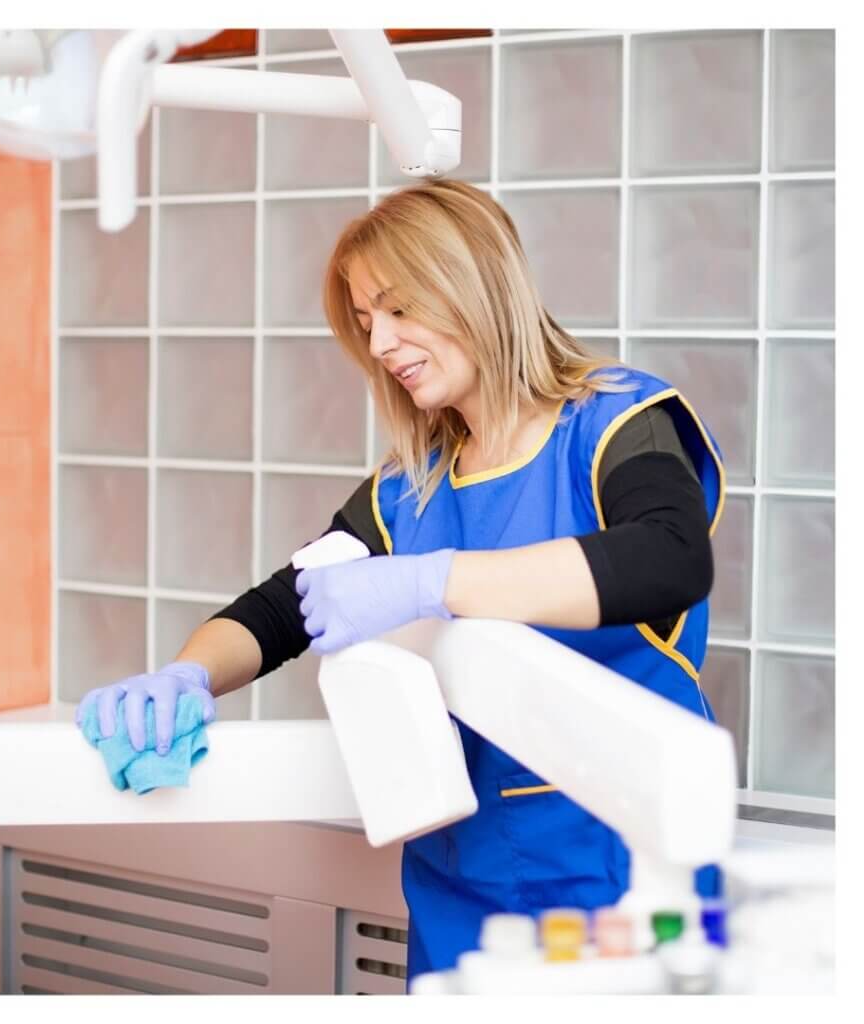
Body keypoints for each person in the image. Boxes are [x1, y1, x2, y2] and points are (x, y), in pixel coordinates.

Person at [75, 179, 725, 987]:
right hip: (462, 892)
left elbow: (668, 560)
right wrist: (187, 674)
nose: (379, 343)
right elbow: (280, 610)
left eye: (397, 308)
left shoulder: (615, 422)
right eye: (364, 323)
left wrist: (431, 582)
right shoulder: (407, 489)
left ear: (472, 280)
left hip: (625, 882)